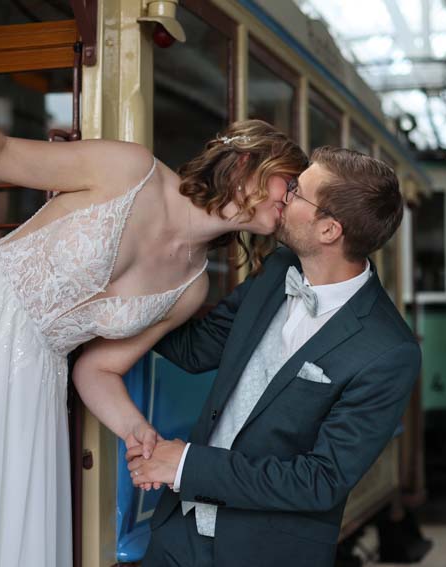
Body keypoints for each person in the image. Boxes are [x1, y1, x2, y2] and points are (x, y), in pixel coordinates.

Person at [0, 45, 307, 567]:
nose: (293, 198)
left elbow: (97, 369)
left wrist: (135, 428)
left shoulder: (191, 287)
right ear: (247, 161)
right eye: (290, 182)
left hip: (29, 380)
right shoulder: (129, 168)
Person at [107, 147, 422, 566]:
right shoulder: (278, 269)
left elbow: (320, 481)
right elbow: (195, 349)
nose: (282, 195)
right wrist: (117, 289)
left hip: (264, 552)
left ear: (329, 230)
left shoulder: (389, 350)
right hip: (176, 536)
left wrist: (186, 466)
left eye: (297, 191)